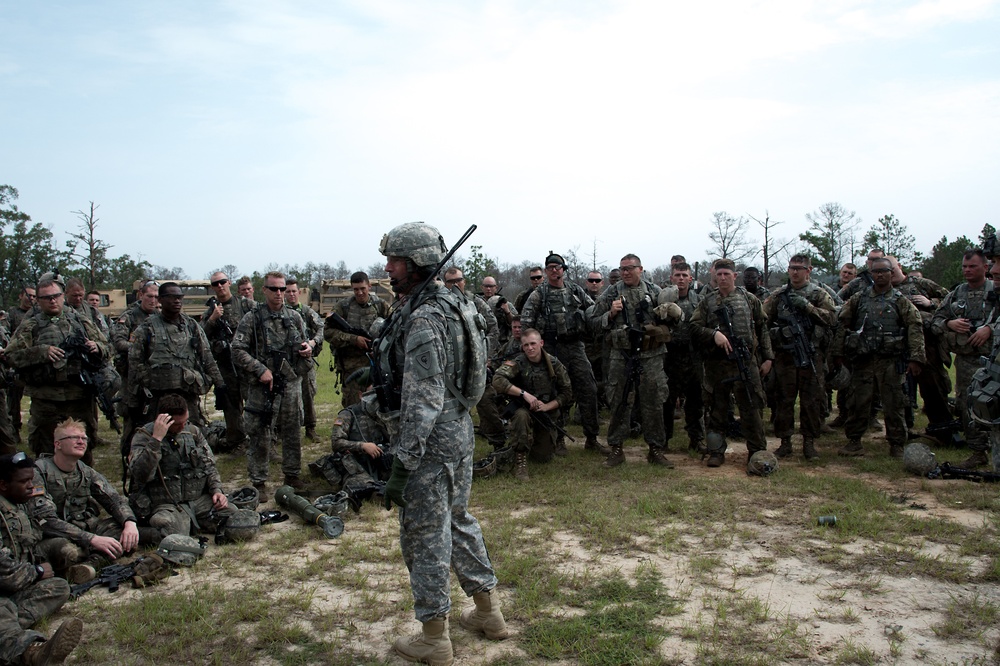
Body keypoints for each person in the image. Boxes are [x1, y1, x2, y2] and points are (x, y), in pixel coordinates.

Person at [375, 222, 506, 663]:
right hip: (458, 430)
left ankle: (434, 638)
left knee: (425, 536)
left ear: (417, 264)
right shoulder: (457, 303)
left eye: (395, 261)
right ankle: (489, 613)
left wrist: (402, 466)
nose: (388, 268)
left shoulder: (428, 316)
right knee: (458, 519)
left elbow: (423, 403)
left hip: (431, 442)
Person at [4, 279, 110, 463]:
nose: (52, 301)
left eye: (56, 296)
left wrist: (97, 347)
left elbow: (108, 348)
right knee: (46, 449)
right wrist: (41, 352)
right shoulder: (30, 324)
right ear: (38, 300)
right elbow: (11, 356)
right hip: (46, 399)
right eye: (46, 298)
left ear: (62, 297)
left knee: (82, 449)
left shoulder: (80, 321)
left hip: (79, 397)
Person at [590, 254, 680, 468]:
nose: (625, 272)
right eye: (622, 269)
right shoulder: (612, 292)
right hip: (621, 355)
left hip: (651, 356)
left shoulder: (655, 292)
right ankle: (617, 449)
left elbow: (673, 325)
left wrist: (672, 315)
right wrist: (610, 314)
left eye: (630, 268)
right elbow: (592, 323)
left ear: (640, 269)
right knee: (620, 401)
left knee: (653, 402)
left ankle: (656, 449)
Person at [831, 257, 926, 457]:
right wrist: (838, 353)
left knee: (894, 403)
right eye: (876, 272)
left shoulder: (900, 300)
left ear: (892, 273)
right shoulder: (860, 298)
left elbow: (915, 326)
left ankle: (897, 443)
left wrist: (916, 357)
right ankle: (854, 440)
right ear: (871, 274)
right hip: (863, 360)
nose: (880, 275)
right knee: (858, 401)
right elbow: (843, 322)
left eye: (884, 271)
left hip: (890, 361)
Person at [232, 272, 313, 500]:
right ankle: (258, 482)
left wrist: (306, 350)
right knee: (259, 432)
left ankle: (292, 474)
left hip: (290, 383)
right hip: (262, 386)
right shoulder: (253, 318)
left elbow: (304, 344)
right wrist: (260, 370)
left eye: (282, 289)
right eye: (274, 289)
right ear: (264, 290)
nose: (279, 293)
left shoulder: (294, 317)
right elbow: (237, 349)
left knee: (292, 429)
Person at [29, 419, 141, 583]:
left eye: (84, 438)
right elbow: (46, 521)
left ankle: (88, 567)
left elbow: (113, 499)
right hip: (55, 534)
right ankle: (90, 558)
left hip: (84, 526)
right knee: (67, 551)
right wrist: (91, 539)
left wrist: (129, 522)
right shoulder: (38, 472)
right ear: (58, 444)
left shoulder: (85, 471)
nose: (81, 441)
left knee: (121, 535)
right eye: (74, 438)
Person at [0, 452, 85, 666]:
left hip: (12, 591)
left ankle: (7, 627)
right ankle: (31, 652)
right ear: (3, 484)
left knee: (58, 587)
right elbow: (5, 572)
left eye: (31, 480)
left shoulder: (19, 503)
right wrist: (36, 572)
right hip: (6, 583)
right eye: (24, 482)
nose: (31, 486)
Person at [689, 259, 774, 469]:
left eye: (727, 274)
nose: (723, 278)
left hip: (746, 362)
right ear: (715, 276)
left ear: (735, 276)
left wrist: (768, 358)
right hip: (717, 365)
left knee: (751, 406)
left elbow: (762, 328)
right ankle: (716, 451)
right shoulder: (707, 302)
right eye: (719, 275)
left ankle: (756, 450)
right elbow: (693, 327)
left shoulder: (749, 299)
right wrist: (714, 334)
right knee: (716, 409)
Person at [520, 252, 605, 454]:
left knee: (588, 389)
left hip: (576, 346)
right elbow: (526, 323)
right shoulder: (539, 294)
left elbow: (593, 311)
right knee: (558, 392)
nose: (554, 270)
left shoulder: (575, 290)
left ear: (563, 270)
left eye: (557, 267)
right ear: (546, 271)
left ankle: (591, 437)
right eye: (550, 268)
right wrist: (534, 350)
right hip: (552, 348)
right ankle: (558, 438)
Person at [761, 255, 837, 459]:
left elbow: (832, 318)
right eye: (792, 268)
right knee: (783, 400)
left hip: (811, 355)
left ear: (808, 270)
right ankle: (785, 442)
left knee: (811, 400)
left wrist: (808, 307)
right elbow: (763, 320)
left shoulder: (818, 295)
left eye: (799, 268)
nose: (795, 272)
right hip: (785, 357)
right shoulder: (779, 295)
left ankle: (809, 443)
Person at [128, 394, 232, 539]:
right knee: (170, 528)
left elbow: (209, 466)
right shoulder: (144, 436)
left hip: (196, 501)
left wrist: (217, 490)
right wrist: (156, 440)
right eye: (177, 424)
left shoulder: (193, 432)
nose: (183, 426)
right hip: (165, 505)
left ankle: (190, 523)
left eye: (185, 421)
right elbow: (140, 474)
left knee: (235, 517)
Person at [931, 249, 997, 467]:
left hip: (994, 359)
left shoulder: (995, 290)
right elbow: (936, 320)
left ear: (985, 267)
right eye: (964, 267)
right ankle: (978, 451)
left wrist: (989, 328)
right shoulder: (957, 293)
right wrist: (950, 323)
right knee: (967, 404)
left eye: (973, 267)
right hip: (967, 362)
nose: (968, 271)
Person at [128, 282, 226, 427]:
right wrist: (148, 380)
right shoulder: (147, 328)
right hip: (158, 394)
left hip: (187, 391)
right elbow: (135, 361)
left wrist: (220, 385)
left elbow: (206, 357)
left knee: (191, 431)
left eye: (180, 297)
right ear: (160, 299)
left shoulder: (191, 325)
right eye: (172, 297)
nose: (177, 301)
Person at [492, 329, 573, 479]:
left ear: (541, 343)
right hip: (525, 409)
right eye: (526, 345)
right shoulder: (518, 363)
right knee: (521, 416)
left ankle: (530, 440)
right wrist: (524, 394)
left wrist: (548, 406)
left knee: (542, 457)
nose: (530, 348)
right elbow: (497, 379)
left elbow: (567, 393)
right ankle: (520, 458)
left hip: (545, 413)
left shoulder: (554, 364)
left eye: (533, 344)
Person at [889, 258, 953, 430]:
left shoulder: (919, 284)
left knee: (933, 387)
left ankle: (942, 426)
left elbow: (949, 299)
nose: (890, 273)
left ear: (899, 267)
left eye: (893, 269)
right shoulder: (885, 291)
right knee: (899, 389)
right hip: (897, 347)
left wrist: (930, 303)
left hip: (927, 346)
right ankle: (904, 427)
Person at [444, 268, 504, 449]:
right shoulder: (441, 305)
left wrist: (487, 356)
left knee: (486, 404)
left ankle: (499, 444)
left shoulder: (475, 302)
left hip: (476, 364)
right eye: (450, 282)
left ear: (464, 281)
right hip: (451, 368)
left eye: (458, 280)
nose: (455, 285)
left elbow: (493, 328)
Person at [201, 271, 256, 451]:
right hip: (225, 365)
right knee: (231, 405)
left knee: (255, 402)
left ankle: (260, 439)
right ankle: (236, 441)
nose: (220, 286)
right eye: (215, 284)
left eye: (222, 282)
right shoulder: (210, 311)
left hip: (247, 364)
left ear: (229, 282)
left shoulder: (245, 304)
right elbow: (200, 337)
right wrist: (212, 319)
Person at [310, 393, 392, 502]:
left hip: (379, 462)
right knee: (365, 490)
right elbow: (336, 442)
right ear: (361, 395)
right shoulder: (347, 414)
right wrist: (362, 446)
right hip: (355, 464)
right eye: (371, 392)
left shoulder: (382, 414)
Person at [325, 271, 391, 408]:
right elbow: (328, 332)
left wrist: (379, 347)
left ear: (369, 287)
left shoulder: (380, 306)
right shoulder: (343, 307)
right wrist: (354, 339)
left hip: (377, 367)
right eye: (356, 289)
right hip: (351, 369)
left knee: (378, 406)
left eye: (363, 288)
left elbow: (394, 330)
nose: (360, 293)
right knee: (353, 408)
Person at [111, 280, 160, 450]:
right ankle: (128, 454)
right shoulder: (129, 316)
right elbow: (118, 342)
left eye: (156, 297)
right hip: (132, 377)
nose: (153, 300)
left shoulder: (160, 316)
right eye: (149, 296)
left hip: (154, 376)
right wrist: (139, 347)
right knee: (132, 419)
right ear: (141, 295)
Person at [664, 262, 705, 453]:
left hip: (693, 355)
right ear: (671, 278)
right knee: (667, 400)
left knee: (696, 400)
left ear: (690, 278)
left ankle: (696, 438)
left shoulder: (699, 300)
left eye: (684, 275)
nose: (681, 279)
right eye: (677, 275)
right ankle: (662, 440)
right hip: (670, 355)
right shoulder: (663, 299)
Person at [284, 278, 324, 441]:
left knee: (308, 395)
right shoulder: (281, 312)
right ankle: (283, 431)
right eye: (288, 291)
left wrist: (312, 343)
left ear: (299, 292)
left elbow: (321, 328)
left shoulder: (306, 311)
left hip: (305, 362)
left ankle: (310, 428)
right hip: (286, 363)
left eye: (294, 291)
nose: (291, 294)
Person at [5, 286, 36, 443]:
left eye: (34, 296)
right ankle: (15, 429)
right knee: (14, 398)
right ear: (21, 296)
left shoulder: (36, 314)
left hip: (34, 361)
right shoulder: (12, 314)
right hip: (17, 361)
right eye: (28, 295)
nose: (31, 299)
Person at [481, 276, 517, 346]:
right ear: (482, 287)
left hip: (502, 343)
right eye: (486, 286)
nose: (488, 289)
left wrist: (507, 312)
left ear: (496, 288)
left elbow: (516, 323)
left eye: (491, 286)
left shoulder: (505, 303)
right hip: (484, 343)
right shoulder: (475, 304)